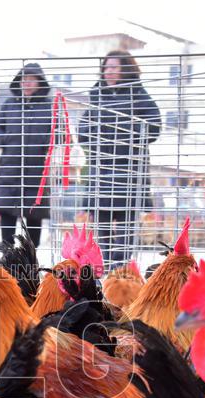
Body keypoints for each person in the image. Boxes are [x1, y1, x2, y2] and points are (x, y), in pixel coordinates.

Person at [78, 50, 161, 264]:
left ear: (126, 69)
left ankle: (121, 269)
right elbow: (83, 131)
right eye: (106, 67)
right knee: (102, 229)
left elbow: (154, 127)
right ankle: (106, 269)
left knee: (125, 231)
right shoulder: (97, 95)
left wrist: (120, 130)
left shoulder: (139, 95)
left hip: (129, 171)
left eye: (114, 67)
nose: (109, 71)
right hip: (102, 172)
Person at [0, 63, 53, 247]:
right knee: (7, 215)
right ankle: (7, 260)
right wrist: (7, 140)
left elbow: (61, 132)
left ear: (40, 82)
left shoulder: (49, 106)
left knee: (34, 216)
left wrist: (45, 143)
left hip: (37, 171)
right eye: (24, 79)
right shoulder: (9, 104)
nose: (28, 83)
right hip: (10, 168)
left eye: (32, 79)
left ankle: (30, 264)